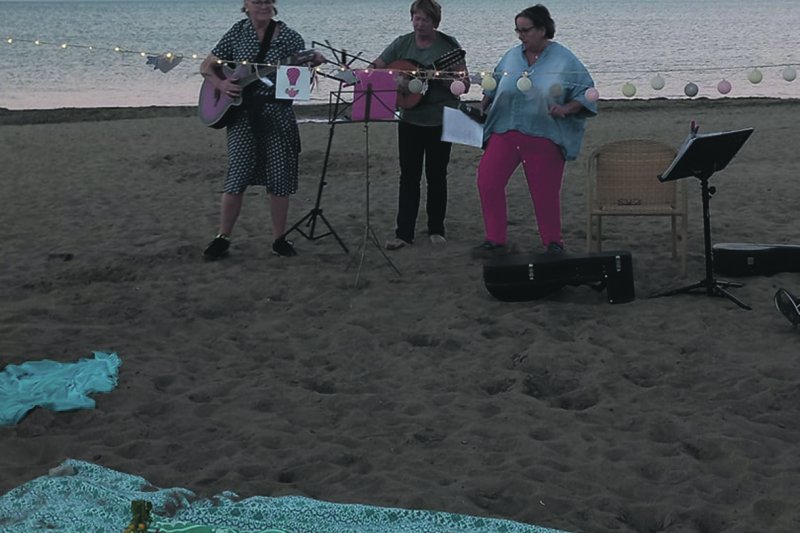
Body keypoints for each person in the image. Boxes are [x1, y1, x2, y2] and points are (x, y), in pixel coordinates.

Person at [200, 0, 323, 259]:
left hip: (277, 114)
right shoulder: (237, 32)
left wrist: (311, 63)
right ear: (246, 5)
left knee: (280, 179)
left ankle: (279, 239)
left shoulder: (289, 37)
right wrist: (221, 86)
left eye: (268, 1)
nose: (263, 6)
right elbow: (206, 66)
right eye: (257, 1)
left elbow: (299, 78)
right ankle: (222, 237)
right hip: (242, 116)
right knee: (237, 176)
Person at [473, 4, 596, 258]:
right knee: (488, 182)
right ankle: (496, 240)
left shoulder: (564, 59)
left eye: (526, 30)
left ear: (542, 30)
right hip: (505, 129)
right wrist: (481, 106)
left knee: (545, 192)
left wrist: (566, 109)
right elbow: (494, 84)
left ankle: (553, 243)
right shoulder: (511, 56)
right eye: (517, 30)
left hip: (543, 134)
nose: (520, 36)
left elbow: (587, 93)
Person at [371, 0, 469, 250]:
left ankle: (436, 228)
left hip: (439, 119)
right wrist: (398, 83)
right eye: (416, 18)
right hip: (410, 120)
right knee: (409, 176)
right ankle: (404, 232)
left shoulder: (448, 47)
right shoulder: (402, 43)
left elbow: (464, 85)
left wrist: (446, 82)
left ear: (434, 22)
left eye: (425, 19)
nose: (419, 23)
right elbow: (377, 69)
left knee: (437, 176)